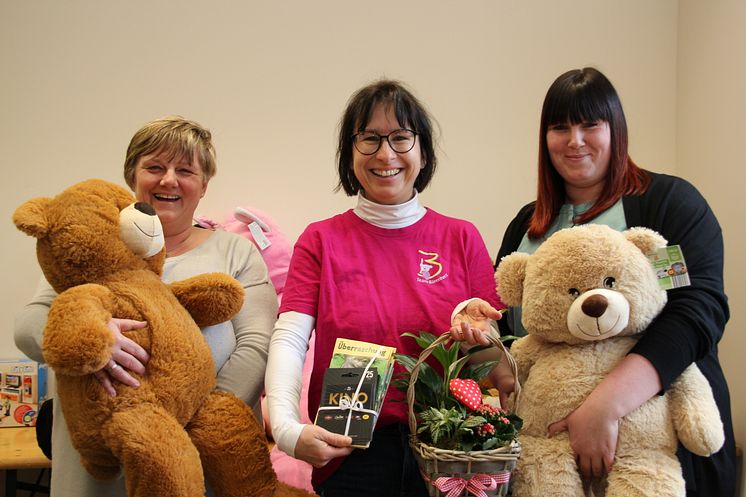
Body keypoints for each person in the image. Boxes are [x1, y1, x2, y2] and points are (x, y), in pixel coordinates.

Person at [495, 67, 736, 497]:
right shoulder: (527, 227)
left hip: (655, 452)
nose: (575, 140)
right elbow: (508, 325)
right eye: (560, 127)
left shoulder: (662, 210)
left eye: (591, 124)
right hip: (550, 466)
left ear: (616, 130)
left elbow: (693, 308)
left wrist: (605, 407)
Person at [13, 116, 278, 497]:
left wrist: (185, 416)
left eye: (185, 170)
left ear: (203, 185)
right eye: (154, 167)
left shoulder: (235, 253)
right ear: (132, 176)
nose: (169, 180)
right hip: (99, 464)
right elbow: (27, 325)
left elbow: (257, 346)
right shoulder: (90, 248)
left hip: (197, 458)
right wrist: (91, 340)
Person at [264, 79, 505, 497]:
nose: (385, 154)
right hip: (350, 452)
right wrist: (287, 430)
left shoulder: (461, 238)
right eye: (370, 139)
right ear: (349, 152)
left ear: (423, 152)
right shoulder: (321, 240)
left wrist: (481, 340)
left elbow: (495, 364)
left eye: (400, 138)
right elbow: (289, 339)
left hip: (448, 445)